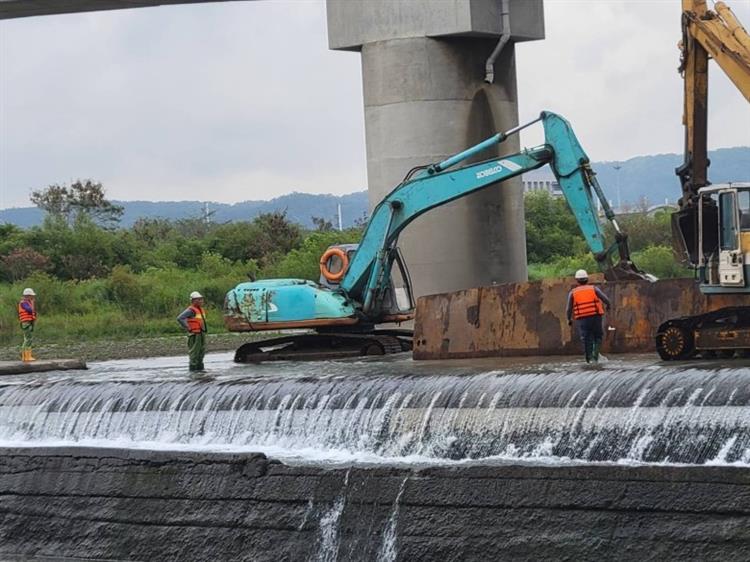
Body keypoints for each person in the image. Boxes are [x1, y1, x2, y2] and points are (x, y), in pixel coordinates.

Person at [566, 269, 611, 363]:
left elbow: (568, 309)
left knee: (586, 338)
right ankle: (595, 355)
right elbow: (606, 299)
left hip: (582, 319)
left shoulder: (573, 293)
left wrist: (569, 319)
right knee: (597, 336)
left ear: (577, 281)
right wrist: (608, 306)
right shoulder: (594, 289)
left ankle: (588, 359)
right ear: (587, 279)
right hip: (596, 316)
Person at [177, 291, 207, 371]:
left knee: (201, 352)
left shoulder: (200, 309)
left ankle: (200, 371)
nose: (201, 301)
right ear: (193, 301)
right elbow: (180, 318)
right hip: (195, 335)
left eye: (201, 299)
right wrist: (188, 327)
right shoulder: (191, 310)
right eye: (199, 299)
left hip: (201, 333)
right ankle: (193, 372)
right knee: (194, 354)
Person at [18, 288, 37, 362]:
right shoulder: (24, 303)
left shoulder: (27, 302)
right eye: (32, 296)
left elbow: (33, 312)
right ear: (28, 296)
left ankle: (27, 356)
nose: (33, 297)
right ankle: (26, 357)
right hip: (26, 323)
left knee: (28, 339)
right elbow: (29, 310)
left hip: (28, 322)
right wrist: (32, 304)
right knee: (28, 339)